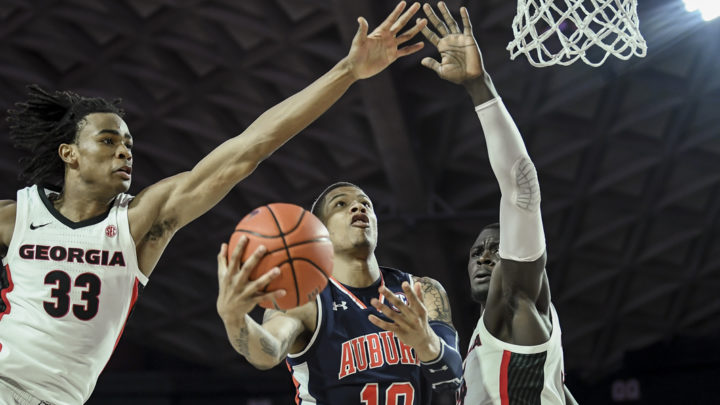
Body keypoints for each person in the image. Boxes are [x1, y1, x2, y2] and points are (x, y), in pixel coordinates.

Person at [0, 2, 428, 404]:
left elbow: (249, 148)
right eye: (109, 141)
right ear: (69, 153)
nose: (125, 152)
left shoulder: (141, 220)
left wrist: (347, 71)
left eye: (129, 144)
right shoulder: (17, 217)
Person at [418, 2, 579, 404]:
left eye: (495, 247)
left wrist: (479, 86)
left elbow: (520, 190)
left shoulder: (516, 301)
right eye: (476, 251)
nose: (485, 258)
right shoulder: (489, 340)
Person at [217, 180, 462, 404]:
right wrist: (235, 319)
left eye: (366, 203)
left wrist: (426, 343)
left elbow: (452, 380)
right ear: (318, 231)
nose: (358, 207)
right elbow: (267, 354)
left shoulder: (422, 290)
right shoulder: (304, 299)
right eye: (341, 204)